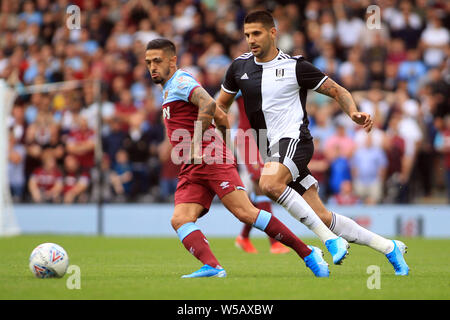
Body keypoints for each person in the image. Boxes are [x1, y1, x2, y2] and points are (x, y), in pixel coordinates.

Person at [216, 10, 408, 275]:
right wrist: (217, 137)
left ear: (273, 33)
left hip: (296, 141)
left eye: (257, 33)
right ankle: (388, 247)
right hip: (270, 150)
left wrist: (352, 112)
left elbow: (337, 90)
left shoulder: (296, 67)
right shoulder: (239, 68)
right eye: (247, 34)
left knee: (268, 184)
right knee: (322, 216)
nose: (251, 39)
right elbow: (220, 107)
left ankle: (329, 241)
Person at [145, 38, 330, 278]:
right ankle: (213, 267)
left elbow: (209, 104)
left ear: (172, 60)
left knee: (245, 212)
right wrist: (225, 146)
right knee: (180, 219)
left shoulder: (181, 81)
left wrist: (204, 145)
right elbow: (221, 116)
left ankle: (308, 253)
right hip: (195, 164)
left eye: (157, 61)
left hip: (208, 159)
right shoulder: (169, 88)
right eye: (148, 62)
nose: (152, 67)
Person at [233, 92, 289, 254]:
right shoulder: (239, 74)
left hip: (265, 138)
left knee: (264, 186)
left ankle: (243, 237)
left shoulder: (267, 74)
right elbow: (222, 101)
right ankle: (274, 242)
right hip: (247, 138)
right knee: (260, 183)